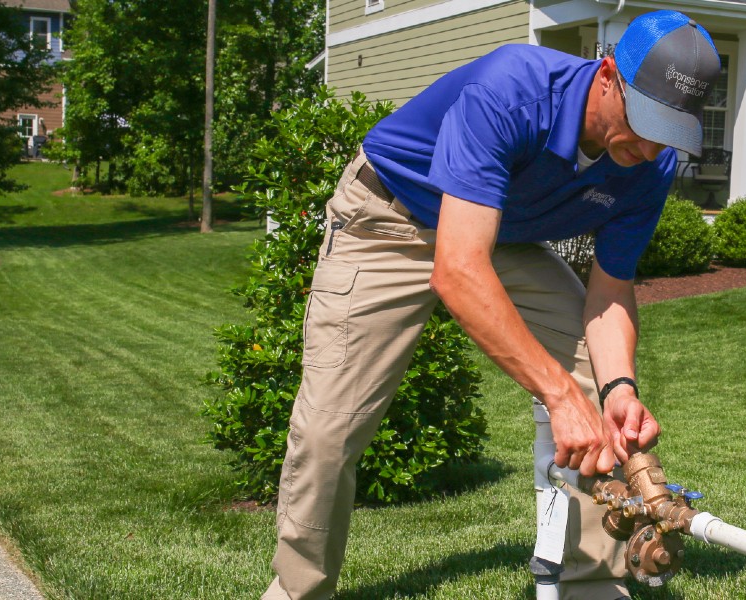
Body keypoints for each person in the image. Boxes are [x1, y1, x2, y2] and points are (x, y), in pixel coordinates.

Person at [263, 10, 721, 600]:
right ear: (607, 75)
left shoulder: (648, 164)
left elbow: (609, 291)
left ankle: (591, 583)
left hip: (496, 235)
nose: (652, 144)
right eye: (645, 121)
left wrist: (619, 391)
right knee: (330, 426)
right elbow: (458, 271)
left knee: (593, 380)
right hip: (388, 221)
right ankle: (298, 591)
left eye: (670, 130)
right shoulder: (512, 92)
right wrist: (556, 395)